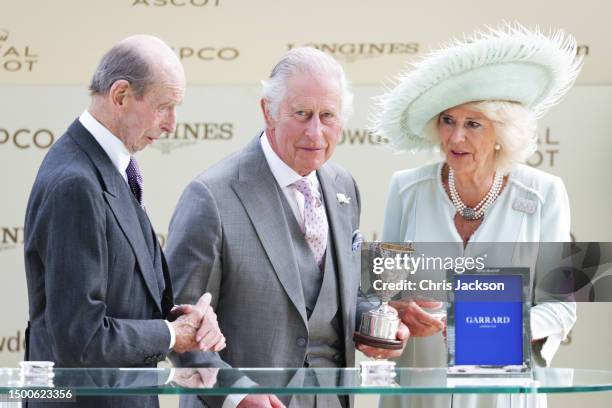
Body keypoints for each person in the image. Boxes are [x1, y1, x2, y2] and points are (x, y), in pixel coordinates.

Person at [165, 46, 409, 408]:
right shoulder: (210, 197)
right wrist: (235, 394)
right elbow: (179, 327)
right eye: (302, 114)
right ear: (268, 111)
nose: (316, 131)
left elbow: (336, 299)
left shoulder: (344, 186)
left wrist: (374, 327)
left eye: (328, 115)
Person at [372, 23, 582, 408]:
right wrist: (398, 311)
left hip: (503, 394)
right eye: (447, 121)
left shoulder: (547, 193)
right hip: (420, 394)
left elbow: (562, 307)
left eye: (472, 124)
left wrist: (497, 328)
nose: (455, 139)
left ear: (501, 131)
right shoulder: (404, 189)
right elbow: (382, 293)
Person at [23, 35, 225, 408]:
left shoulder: (109, 168)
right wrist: (169, 335)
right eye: (164, 107)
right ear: (120, 96)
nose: (171, 126)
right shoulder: (76, 184)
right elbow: (81, 338)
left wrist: (184, 319)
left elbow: (124, 298)